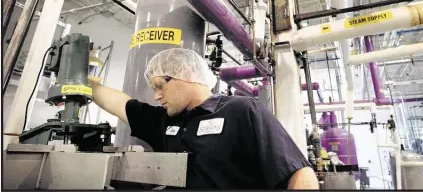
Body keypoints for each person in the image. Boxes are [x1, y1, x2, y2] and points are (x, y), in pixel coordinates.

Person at [89, 48, 319, 189]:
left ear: (186, 74)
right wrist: (85, 84)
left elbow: (299, 173)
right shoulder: (166, 121)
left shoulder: (241, 110)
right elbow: (120, 104)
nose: (156, 95)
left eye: (160, 85)